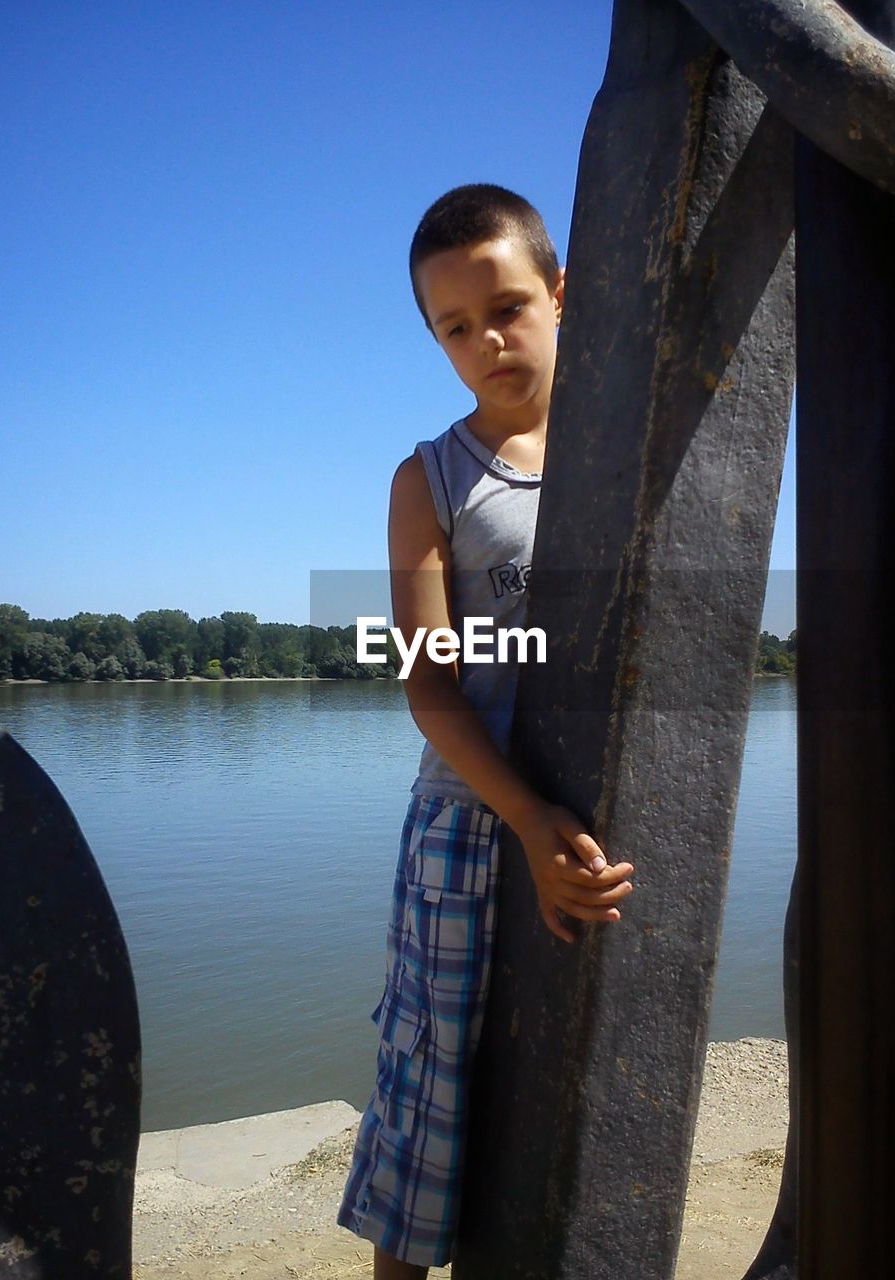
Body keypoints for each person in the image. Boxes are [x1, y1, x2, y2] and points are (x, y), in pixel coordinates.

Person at [337, 184, 634, 1279]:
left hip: (599, 826)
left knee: (568, 1087)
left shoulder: (630, 458)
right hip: (469, 828)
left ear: (563, 294)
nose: (488, 340)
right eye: (455, 327)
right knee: (430, 1097)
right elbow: (430, 689)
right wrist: (524, 814)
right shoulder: (432, 482)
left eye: (508, 306)